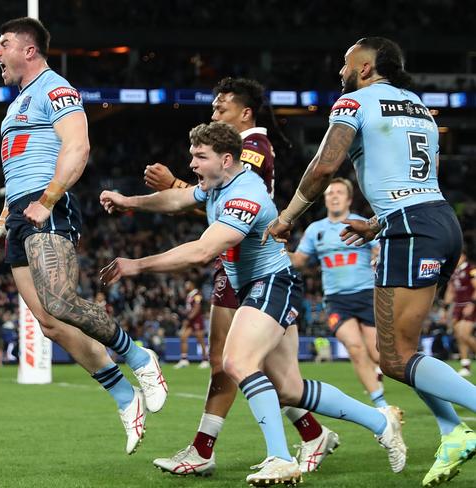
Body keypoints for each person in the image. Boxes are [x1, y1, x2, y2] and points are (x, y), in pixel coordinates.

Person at [101, 122, 406, 485]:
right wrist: (129, 201)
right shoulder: (217, 184)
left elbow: (202, 251)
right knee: (289, 388)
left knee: (236, 361)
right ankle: (380, 421)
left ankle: (279, 457)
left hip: (273, 284)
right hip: (255, 286)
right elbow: (177, 198)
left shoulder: (245, 195)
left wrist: (137, 264)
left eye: (200, 157)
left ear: (226, 159)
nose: (193, 164)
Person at [265, 37, 476, 487]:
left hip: (410, 228)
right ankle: (450, 429)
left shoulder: (354, 101)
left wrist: (286, 217)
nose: (340, 71)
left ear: (364, 69)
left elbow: (325, 166)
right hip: (437, 221)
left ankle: (463, 420)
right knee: (400, 350)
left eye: (346, 64)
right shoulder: (418, 107)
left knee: (393, 355)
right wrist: (379, 224)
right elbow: (418, 179)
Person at [0, 17, 167, 455]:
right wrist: (3, 220)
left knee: (62, 300)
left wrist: (47, 201)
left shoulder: (54, 88)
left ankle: (141, 359)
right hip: (24, 210)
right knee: (49, 323)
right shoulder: (17, 105)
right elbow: (19, 173)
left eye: (3, 44)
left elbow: (78, 147)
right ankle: (125, 398)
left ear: (29, 50)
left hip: (49, 207)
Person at [144, 77, 338, 475]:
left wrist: (177, 186)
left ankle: (213, 450)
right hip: (235, 261)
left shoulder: (250, 148)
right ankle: (309, 433)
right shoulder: (244, 149)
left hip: (250, 262)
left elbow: (226, 207)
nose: (214, 112)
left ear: (244, 112)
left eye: (221, 108)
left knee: (236, 362)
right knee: (250, 365)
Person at [290, 178, 388, 408]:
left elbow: (380, 250)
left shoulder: (364, 224)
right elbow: (300, 261)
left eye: (339, 192)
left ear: (349, 199)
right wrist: (276, 251)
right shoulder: (316, 230)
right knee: (354, 347)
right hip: (336, 300)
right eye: (329, 193)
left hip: (366, 295)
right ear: (325, 199)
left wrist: (378, 255)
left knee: (379, 355)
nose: (333, 196)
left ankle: (428, 389)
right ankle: (383, 407)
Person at [444, 248, 476, 376]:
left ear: (462, 256)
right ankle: (465, 365)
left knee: (465, 334)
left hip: (469, 304)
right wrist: (445, 309)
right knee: (458, 335)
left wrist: (472, 304)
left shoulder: (471, 269)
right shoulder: (454, 271)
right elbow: (450, 291)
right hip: (458, 306)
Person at [174, 279, 209, 369]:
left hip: (196, 320)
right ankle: (184, 359)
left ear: (192, 285)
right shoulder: (189, 295)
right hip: (190, 320)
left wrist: (188, 318)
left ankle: (205, 360)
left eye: (188, 284)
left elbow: (197, 308)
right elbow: (190, 308)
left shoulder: (197, 294)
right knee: (183, 337)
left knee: (200, 339)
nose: (186, 286)